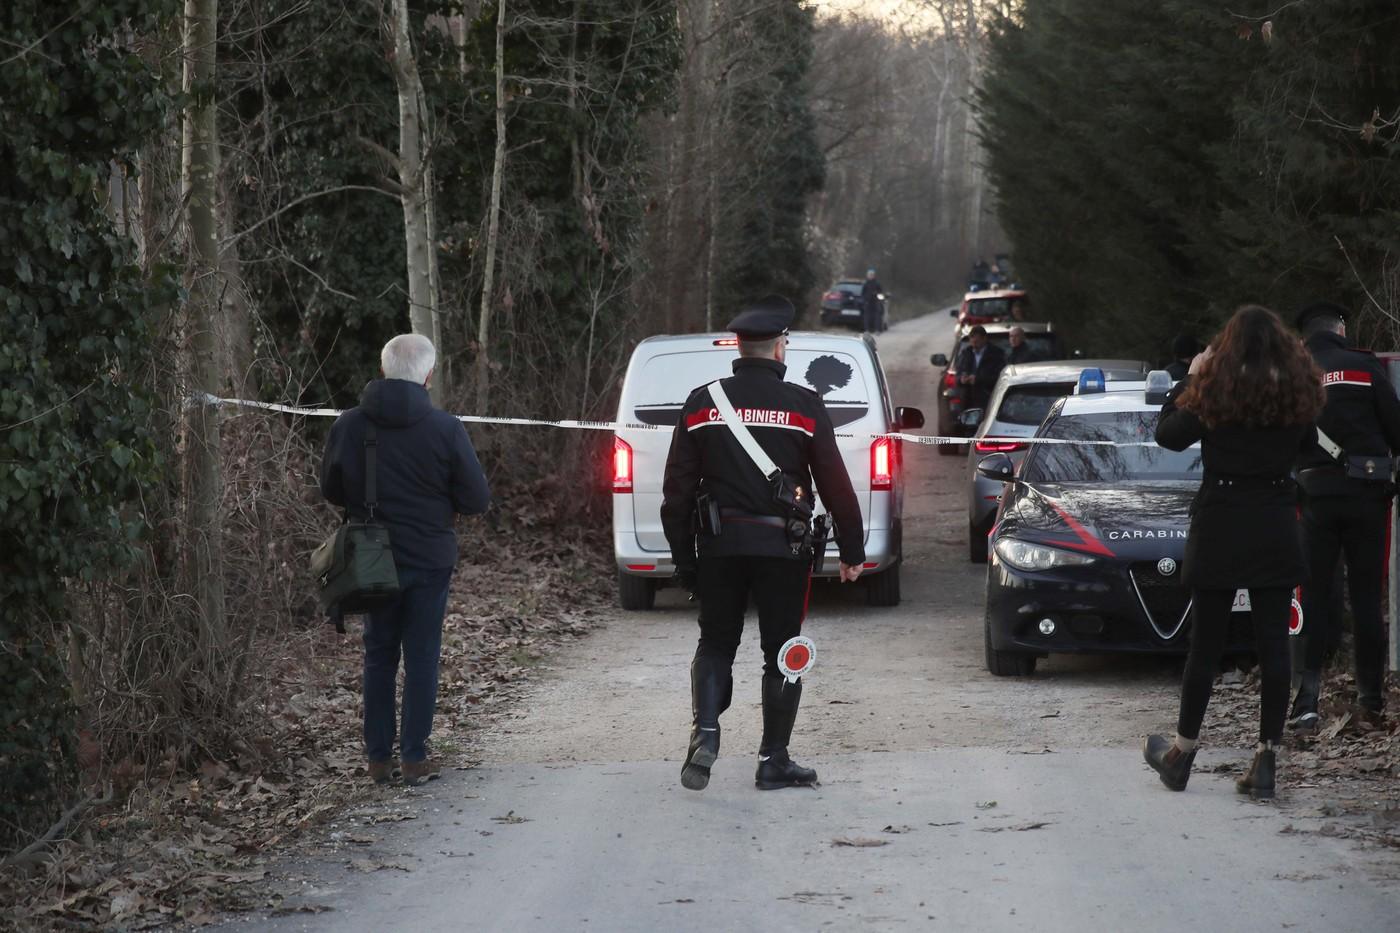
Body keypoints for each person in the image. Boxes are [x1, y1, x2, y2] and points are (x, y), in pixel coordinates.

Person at [660, 296, 866, 793]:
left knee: (715, 643)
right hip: (784, 550)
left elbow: (676, 493)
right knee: (782, 649)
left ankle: (706, 733)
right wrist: (853, 552)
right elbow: (836, 486)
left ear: (737, 346)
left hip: (719, 545)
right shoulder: (805, 405)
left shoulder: (701, 401)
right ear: (780, 348)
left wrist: (685, 561)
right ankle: (774, 759)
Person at [1144, 306, 1324, 800]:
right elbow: (1309, 445)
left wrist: (1189, 379)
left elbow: (1168, 435)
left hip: (1223, 519)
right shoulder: (1295, 393)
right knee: (1273, 643)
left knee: (1206, 643)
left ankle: (1181, 753)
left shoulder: (1216, 390)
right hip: (1273, 521)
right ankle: (1267, 758)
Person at [320, 334, 491, 786]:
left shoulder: (349, 426)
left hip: (371, 559)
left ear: (382, 370)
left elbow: (331, 488)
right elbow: (477, 499)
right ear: (429, 376)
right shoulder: (446, 428)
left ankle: (378, 761)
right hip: (430, 560)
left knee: (378, 655)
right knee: (422, 657)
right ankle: (414, 758)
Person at [1288, 301, 1400, 730]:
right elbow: (1396, 429)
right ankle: (1371, 700)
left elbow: (1285, 436)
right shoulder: (1365, 369)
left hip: (1315, 496)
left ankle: (1308, 699)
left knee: (1313, 595)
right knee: (1368, 598)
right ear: (1341, 330)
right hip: (1368, 496)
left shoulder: (1296, 374)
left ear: (1305, 338)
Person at [955, 325, 1007, 413]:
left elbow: (1000, 377)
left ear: (984, 339)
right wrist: (961, 379)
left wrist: (978, 380)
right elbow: (958, 374)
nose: (974, 343)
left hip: (988, 400)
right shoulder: (965, 354)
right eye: (972, 341)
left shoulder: (996, 354)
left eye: (977, 341)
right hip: (967, 401)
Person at [860, 268, 885, 333]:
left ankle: (877, 330)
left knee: (877, 317)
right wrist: (864, 300)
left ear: (874, 275)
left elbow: (881, 294)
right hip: (868, 302)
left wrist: (878, 298)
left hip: (876, 302)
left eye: (872, 275)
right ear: (867, 275)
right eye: (869, 275)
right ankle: (867, 330)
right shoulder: (865, 284)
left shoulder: (877, 284)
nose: (870, 276)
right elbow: (862, 294)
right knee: (867, 317)